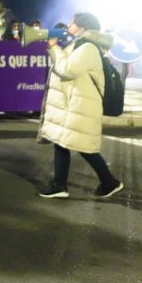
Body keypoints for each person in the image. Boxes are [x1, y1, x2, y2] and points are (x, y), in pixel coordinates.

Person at [38, 12, 124, 199]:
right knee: (62, 142)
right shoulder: (79, 44)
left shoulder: (89, 48)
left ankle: (110, 182)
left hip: (80, 106)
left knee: (85, 148)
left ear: (83, 27)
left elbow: (68, 70)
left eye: (73, 23)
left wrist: (53, 48)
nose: (69, 25)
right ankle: (60, 185)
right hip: (73, 103)